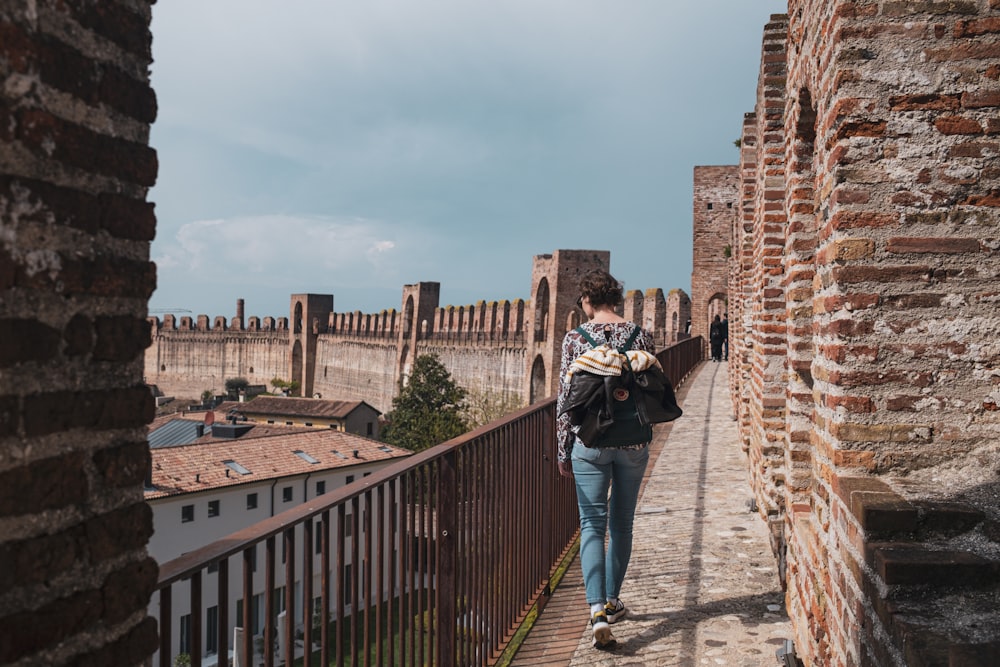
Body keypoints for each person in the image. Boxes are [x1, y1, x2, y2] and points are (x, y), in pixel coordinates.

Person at [556, 269, 656, 650]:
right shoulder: (640, 334)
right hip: (632, 443)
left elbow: (566, 403)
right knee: (623, 524)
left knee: (593, 525)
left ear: (586, 300)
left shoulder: (574, 339)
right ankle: (614, 601)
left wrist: (564, 450)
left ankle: (596, 609)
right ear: (616, 298)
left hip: (591, 443)